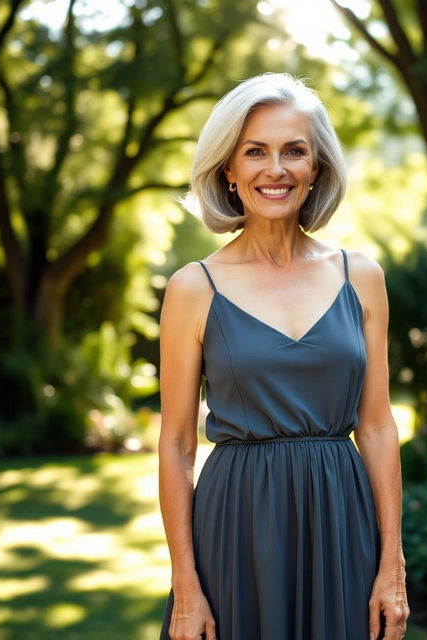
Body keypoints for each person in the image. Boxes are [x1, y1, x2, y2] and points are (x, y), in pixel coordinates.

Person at [157, 72, 409, 640]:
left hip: (341, 519)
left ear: (316, 166)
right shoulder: (194, 287)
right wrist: (187, 586)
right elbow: (175, 443)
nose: (276, 169)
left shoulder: (361, 277)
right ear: (229, 168)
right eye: (255, 152)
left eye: (294, 151)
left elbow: (376, 426)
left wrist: (392, 564)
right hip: (236, 526)